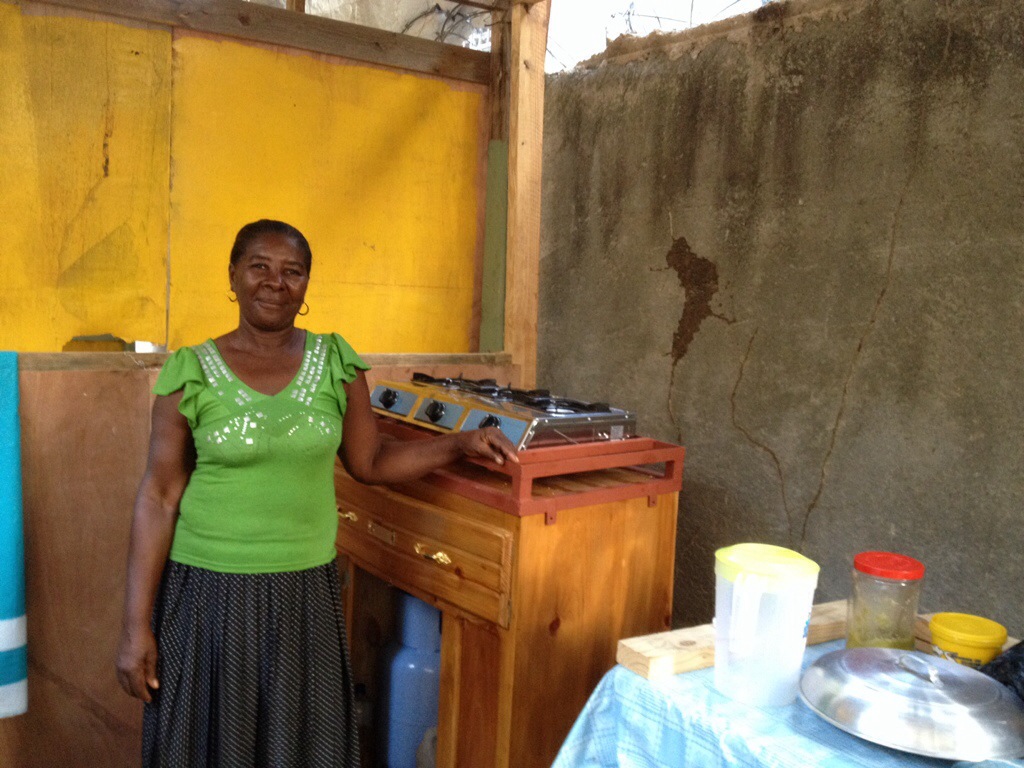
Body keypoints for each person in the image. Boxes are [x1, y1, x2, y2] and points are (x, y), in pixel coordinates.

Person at [116, 219, 518, 767]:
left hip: (303, 595)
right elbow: (158, 497)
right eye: (259, 266)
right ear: (233, 275)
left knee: (300, 749)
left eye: (293, 271)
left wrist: (459, 444)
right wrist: (135, 626)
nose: (275, 282)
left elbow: (370, 462)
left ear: (307, 284)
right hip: (208, 596)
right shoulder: (191, 372)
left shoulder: (335, 364)